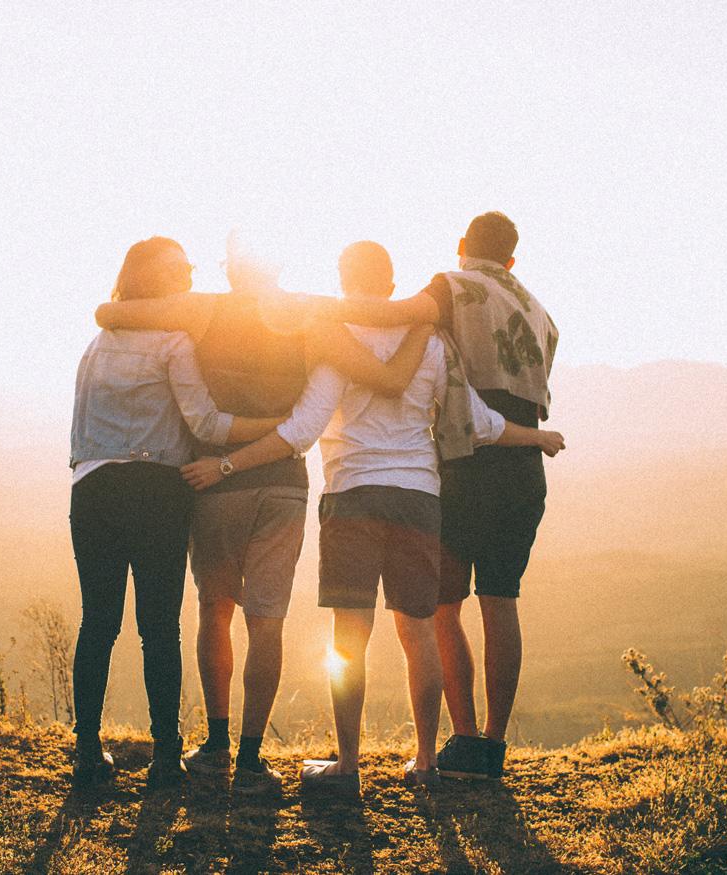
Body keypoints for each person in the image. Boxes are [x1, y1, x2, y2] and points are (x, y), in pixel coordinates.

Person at [182, 241, 564, 794]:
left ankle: (347, 766)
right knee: (419, 633)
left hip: (353, 495)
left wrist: (226, 464)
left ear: (343, 280)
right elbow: (479, 422)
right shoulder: (431, 342)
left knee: (349, 638)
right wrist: (538, 437)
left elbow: (303, 429)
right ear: (391, 285)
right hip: (419, 499)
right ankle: (427, 762)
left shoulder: (336, 339)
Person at [94, 235, 430, 795]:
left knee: (215, 609)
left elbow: (113, 312)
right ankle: (252, 759)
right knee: (267, 620)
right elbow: (379, 373)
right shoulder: (309, 316)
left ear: (230, 270)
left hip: (214, 483)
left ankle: (217, 743)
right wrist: (423, 318)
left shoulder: (204, 309)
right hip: (283, 484)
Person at [314, 213, 560, 780]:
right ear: (513, 259)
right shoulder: (542, 313)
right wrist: (538, 437)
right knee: (502, 601)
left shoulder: (452, 287)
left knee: (440, 609)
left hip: (466, 463)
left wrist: (311, 309)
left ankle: (462, 740)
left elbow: (396, 316)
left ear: (461, 246)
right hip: (522, 466)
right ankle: (491, 748)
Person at [69, 236, 284, 790]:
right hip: (157, 491)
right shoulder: (173, 341)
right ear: (155, 281)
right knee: (158, 628)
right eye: (180, 269)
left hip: (92, 488)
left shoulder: (97, 344)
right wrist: (276, 428)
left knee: (98, 623)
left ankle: (88, 753)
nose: (189, 274)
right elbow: (207, 425)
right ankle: (166, 757)